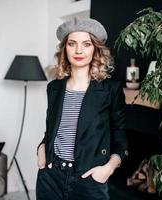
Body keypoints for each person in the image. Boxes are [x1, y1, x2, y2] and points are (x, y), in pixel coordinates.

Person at [36, 17, 128, 200]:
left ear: (95, 49)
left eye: (86, 44)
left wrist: (107, 169)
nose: (79, 50)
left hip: (89, 180)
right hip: (51, 177)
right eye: (72, 44)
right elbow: (51, 131)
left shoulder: (110, 89)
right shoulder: (53, 88)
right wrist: (41, 148)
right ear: (65, 49)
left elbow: (120, 139)